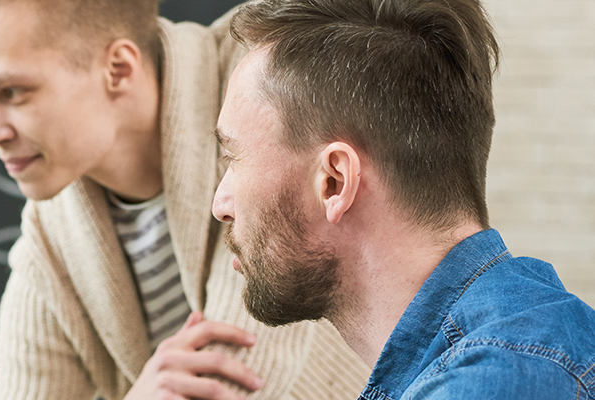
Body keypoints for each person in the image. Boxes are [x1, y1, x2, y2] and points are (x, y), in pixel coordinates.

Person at [0, 0, 368, 398]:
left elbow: (232, 385)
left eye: (11, 92)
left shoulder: (268, 87)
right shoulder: (53, 239)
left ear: (118, 69)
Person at [212, 0, 595, 398]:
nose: (220, 204)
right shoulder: (521, 343)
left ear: (334, 182)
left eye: (234, 158)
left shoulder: (490, 384)